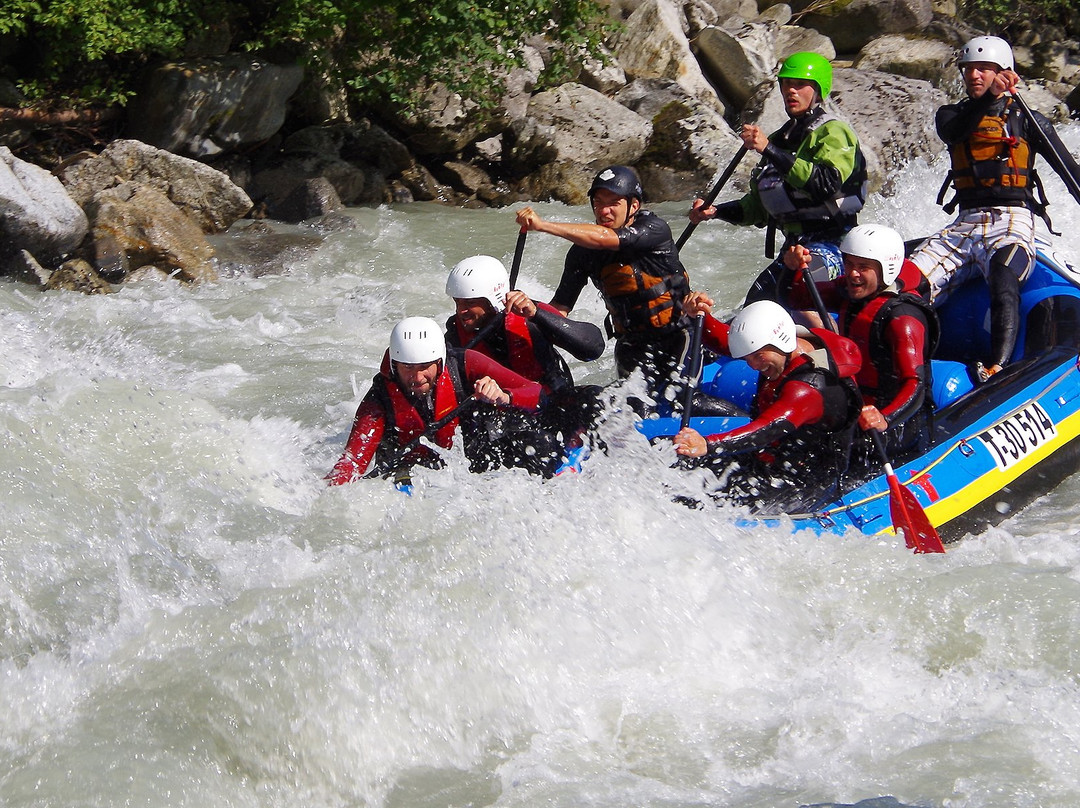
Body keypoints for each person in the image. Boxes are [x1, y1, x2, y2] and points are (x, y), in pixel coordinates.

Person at [910, 35, 1080, 383]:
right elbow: (956, 130)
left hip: (1012, 219)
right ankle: (904, 365)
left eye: (984, 70)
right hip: (964, 225)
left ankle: (998, 368)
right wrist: (989, 96)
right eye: (969, 69)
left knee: (1004, 275)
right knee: (907, 284)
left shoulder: (1029, 121)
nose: (974, 76)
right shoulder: (952, 114)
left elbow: (1071, 174)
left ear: (1005, 74)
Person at [687, 52, 868, 316]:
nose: (790, 91)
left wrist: (769, 150)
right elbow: (758, 209)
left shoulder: (833, 132)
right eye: (786, 84)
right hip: (793, 250)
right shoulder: (780, 139)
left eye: (799, 84)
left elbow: (826, 184)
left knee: (803, 303)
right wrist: (716, 212)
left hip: (833, 246)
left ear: (818, 90)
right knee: (753, 310)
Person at [515, 165, 692, 407]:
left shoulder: (655, 229)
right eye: (598, 203)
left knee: (678, 401)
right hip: (631, 344)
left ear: (634, 206)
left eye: (613, 203)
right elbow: (560, 308)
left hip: (678, 336)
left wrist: (543, 225)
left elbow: (608, 239)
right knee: (626, 408)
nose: (603, 210)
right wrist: (529, 310)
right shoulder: (581, 253)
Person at [326, 316, 562, 486]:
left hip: (471, 466)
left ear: (439, 362)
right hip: (412, 477)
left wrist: (503, 396)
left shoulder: (466, 363)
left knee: (538, 443)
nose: (417, 378)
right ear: (394, 365)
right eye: (407, 368)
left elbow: (537, 394)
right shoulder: (379, 397)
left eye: (424, 367)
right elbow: (352, 462)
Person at [672, 299, 861, 507]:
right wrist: (700, 315)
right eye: (747, 358)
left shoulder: (809, 387)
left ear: (782, 340)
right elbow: (724, 343)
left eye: (757, 356)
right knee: (677, 465)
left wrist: (708, 444)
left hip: (805, 483)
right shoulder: (778, 351)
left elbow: (767, 430)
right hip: (772, 461)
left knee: (692, 500)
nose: (752, 365)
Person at [779, 224, 938, 461]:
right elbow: (795, 297)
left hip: (899, 420)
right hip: (856, 402)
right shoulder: (851, 291)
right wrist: (792, 269)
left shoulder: (903, 319)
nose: (853, 273)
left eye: (863, 267)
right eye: (850, 264)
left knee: (841, 451)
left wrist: (885, 418)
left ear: (886, 269)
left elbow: (915, 384)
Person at [444, 254, 605, 394]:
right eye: (457, 302)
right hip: (506, 412)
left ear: (492, 300)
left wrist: (537, 314)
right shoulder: (455, 334)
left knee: (595, 396)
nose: (461, 311)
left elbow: (593, 348)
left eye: (470, 303)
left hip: (552, 404)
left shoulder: (531, 316)